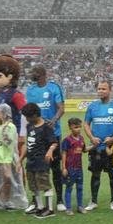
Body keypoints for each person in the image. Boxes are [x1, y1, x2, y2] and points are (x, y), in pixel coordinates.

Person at [26, 65, 67, 210]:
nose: (32, 75)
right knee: (35, 168)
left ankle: (60, 200)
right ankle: (35, 201)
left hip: (52, 134)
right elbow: (29, 109)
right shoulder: (30, 90)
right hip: (36, 135)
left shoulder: (54, 88)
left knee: (55, 168)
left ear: (42, 74)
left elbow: (61, 108)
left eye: (34, 72)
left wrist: (53, 120)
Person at [83, 81, 113, 210]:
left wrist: (112, 139)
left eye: (104, 89)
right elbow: (86, 124)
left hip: (111, 148)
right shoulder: (92, 106)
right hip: (96, 148)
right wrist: (91, 138)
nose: (100, 91)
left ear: (110, 90)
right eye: (99, 89)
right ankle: (93, 201)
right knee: (95, 174)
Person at [0, 103, 27, 210]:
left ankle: (7, 200)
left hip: (5, 157)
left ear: (4, 114)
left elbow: (10, 142)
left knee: (7, 178)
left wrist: (4, 134)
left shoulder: (10, 126)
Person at [22, 102, 58, 218]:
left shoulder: (46, 127)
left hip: (41, 161)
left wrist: (50, 151)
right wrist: (21, 159)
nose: (27, 119)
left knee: (44, 184)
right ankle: (39, 207)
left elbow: (54, 142)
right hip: (30, 161)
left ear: (35, 115)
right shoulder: (29, 126)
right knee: (33, 186)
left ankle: (50, 209)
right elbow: (28, 144)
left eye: (28, 117)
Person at [61, 116, 86, 214]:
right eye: (76, 127)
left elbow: (84, 150)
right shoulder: (67, 140)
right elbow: (64, 153)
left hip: (79, 168)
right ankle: (68, 208)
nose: (78, 129)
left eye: (79, 127)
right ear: (70, 127)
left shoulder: (82, 138)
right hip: (70, 168)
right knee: (69, 188)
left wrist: (94, 145)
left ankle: (80, 206)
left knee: (80, 187)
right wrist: (64, 167)